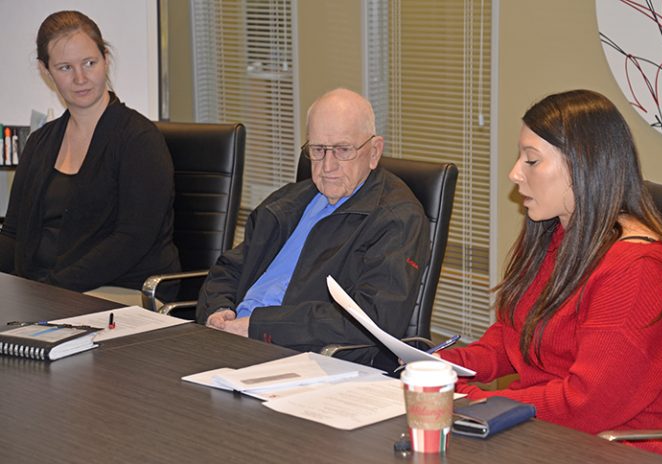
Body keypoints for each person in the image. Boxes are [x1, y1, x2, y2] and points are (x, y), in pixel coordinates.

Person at [438, 89, 662, 460]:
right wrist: (442, 367)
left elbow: (587, 404)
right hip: (546, 436)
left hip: (619, 449)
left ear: (582, 165)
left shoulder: (638, 270)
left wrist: (475, 401)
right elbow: (511, 339)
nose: (515, 173)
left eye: (531, 160)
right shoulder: (556, 234)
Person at [197, 88, 429, 368]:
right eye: (318, 150)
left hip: (298, 358)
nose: (327, 166)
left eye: (343, 150)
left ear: (374, 152)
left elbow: (372, 318)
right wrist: (219, 309)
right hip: (230, 341)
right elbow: (229, 269)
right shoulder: (288, 202)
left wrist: (257, 326)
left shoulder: (396, 218)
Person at [0, 11, 180, 304]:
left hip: (121, 289)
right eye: (65, 67)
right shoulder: (40, 142)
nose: (80, 78)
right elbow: (13, 233)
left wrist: (50, 289)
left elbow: (132, 240)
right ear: (46, 71)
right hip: (48, 290)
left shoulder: (138, 139)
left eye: (89, 63)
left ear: (105, 58)